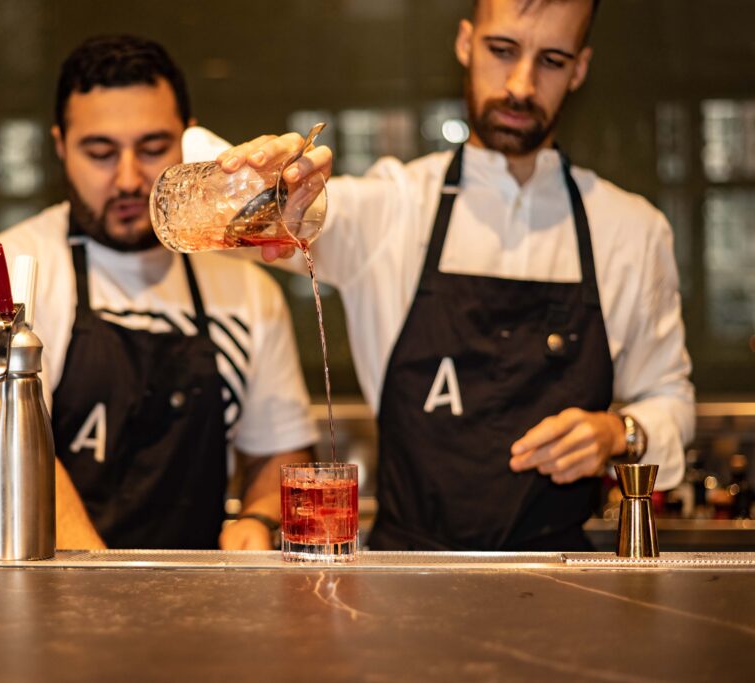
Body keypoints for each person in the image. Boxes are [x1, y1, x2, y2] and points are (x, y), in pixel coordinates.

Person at [215, 0, 695, 550]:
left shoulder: (631, 230)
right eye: (502, 50)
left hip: (563, 586)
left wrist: (620, 433)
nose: (521, 84)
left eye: (552, 61)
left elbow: (670, 400)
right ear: (466, 43)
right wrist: (269, 189)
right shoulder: (393, 208)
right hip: (402, 590)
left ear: (580, 69)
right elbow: (274, 220)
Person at [0, 35, 316, 551]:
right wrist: (107, 603)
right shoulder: (2, 275)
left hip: (196, 610)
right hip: (38, 606)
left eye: (154, 148)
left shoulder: (246, 290)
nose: (129, 178)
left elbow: (282, 454)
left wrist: (258, 520)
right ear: (59, 147)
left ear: (189, 140)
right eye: (100, 152)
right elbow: (8, 456)